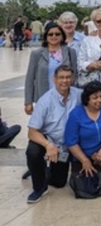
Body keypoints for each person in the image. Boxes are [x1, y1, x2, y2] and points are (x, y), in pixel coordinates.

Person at [25, 65, 82, 203]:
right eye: (61, 77)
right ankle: (38, 187)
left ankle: (39, 168)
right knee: (33, 151)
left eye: (68, 77)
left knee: (59, 182)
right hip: (49, 140)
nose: (65, 81)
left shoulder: (79, 95)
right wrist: (48, 145)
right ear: (54, 79)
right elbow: (32, 132)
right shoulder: (45, 101)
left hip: (68, 144)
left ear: (73, 79)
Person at [64, 81, 101, 183]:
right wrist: (85, 159)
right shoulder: (75, 114)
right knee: (83, 182)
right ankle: (100, 173)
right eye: (95, 98)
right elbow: (71, 142)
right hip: (83, 154)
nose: (99, 100)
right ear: (87, 99)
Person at [24, 24, 78, 115]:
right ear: (46, 36)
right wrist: (28, 102)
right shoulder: (37, 54)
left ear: (62, 36)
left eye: (57, 34)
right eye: (50, 34)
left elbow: (75, 76)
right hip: (44, 96)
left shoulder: (70, 52)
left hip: (66, 97)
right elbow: (30, 78)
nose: (54, 36)